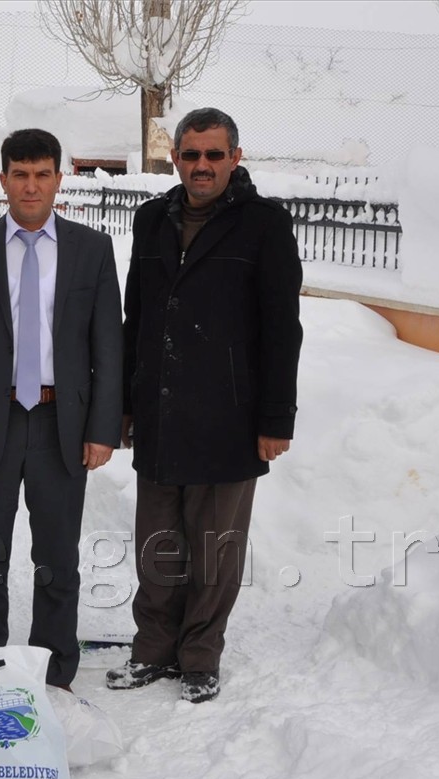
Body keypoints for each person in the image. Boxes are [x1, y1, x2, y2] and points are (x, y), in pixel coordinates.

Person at [108, 107, 303, 703]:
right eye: (191, 154)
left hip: (230, 418)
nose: (201, 165)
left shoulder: (264, 224)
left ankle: (199, 656)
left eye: (214, 155)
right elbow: (134, 314)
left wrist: (275, 419)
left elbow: (281, 329)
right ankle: (154, 649)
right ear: (176, 159)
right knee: (158, 542)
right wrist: (124, 400)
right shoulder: (152, 218)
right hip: (161, 412)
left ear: (234, 159)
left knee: (215, 547)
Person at [0, 128, 122, 689]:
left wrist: (102, 427)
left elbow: (107, 345)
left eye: (42, 174)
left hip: (60, 423)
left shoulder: (92, 251)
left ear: (59, 180)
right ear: (3, 180)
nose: (31, 186)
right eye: (20, 174)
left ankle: (54, 672)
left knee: (58, 560)